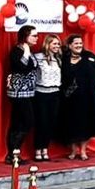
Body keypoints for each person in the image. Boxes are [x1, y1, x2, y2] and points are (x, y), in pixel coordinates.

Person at [59, 34, 95, 160]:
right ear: (69, 45)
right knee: (71, 124)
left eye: (80, 43)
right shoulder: (64, 59)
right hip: (69, 98)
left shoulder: (90, 57)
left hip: (87, 97)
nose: (79, 45)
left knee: (86, 124)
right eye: (76, 43)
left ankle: (83, 151)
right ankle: (73, 150)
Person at [5, 25, 38, 164]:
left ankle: (14, 153)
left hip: (29, 91)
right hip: (18, 92)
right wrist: (25, 52)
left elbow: (33, 66)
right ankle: (13, 153)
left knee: (20, 122)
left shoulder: (30, 51)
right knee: (24, 121)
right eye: (34, 35)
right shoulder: (17, 51)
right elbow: (22, 67)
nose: (37, 38)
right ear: (25, 36)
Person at [33, 33, 62, 161]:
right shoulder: (38, 57)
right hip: (41, 93)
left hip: (55, 92)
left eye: (58, 44)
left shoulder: (58, 59)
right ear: (48, 44)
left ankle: (45, 148)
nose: (57, 46)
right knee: (42, 122)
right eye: (54, 43)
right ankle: (38, 149)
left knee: (51, 122)